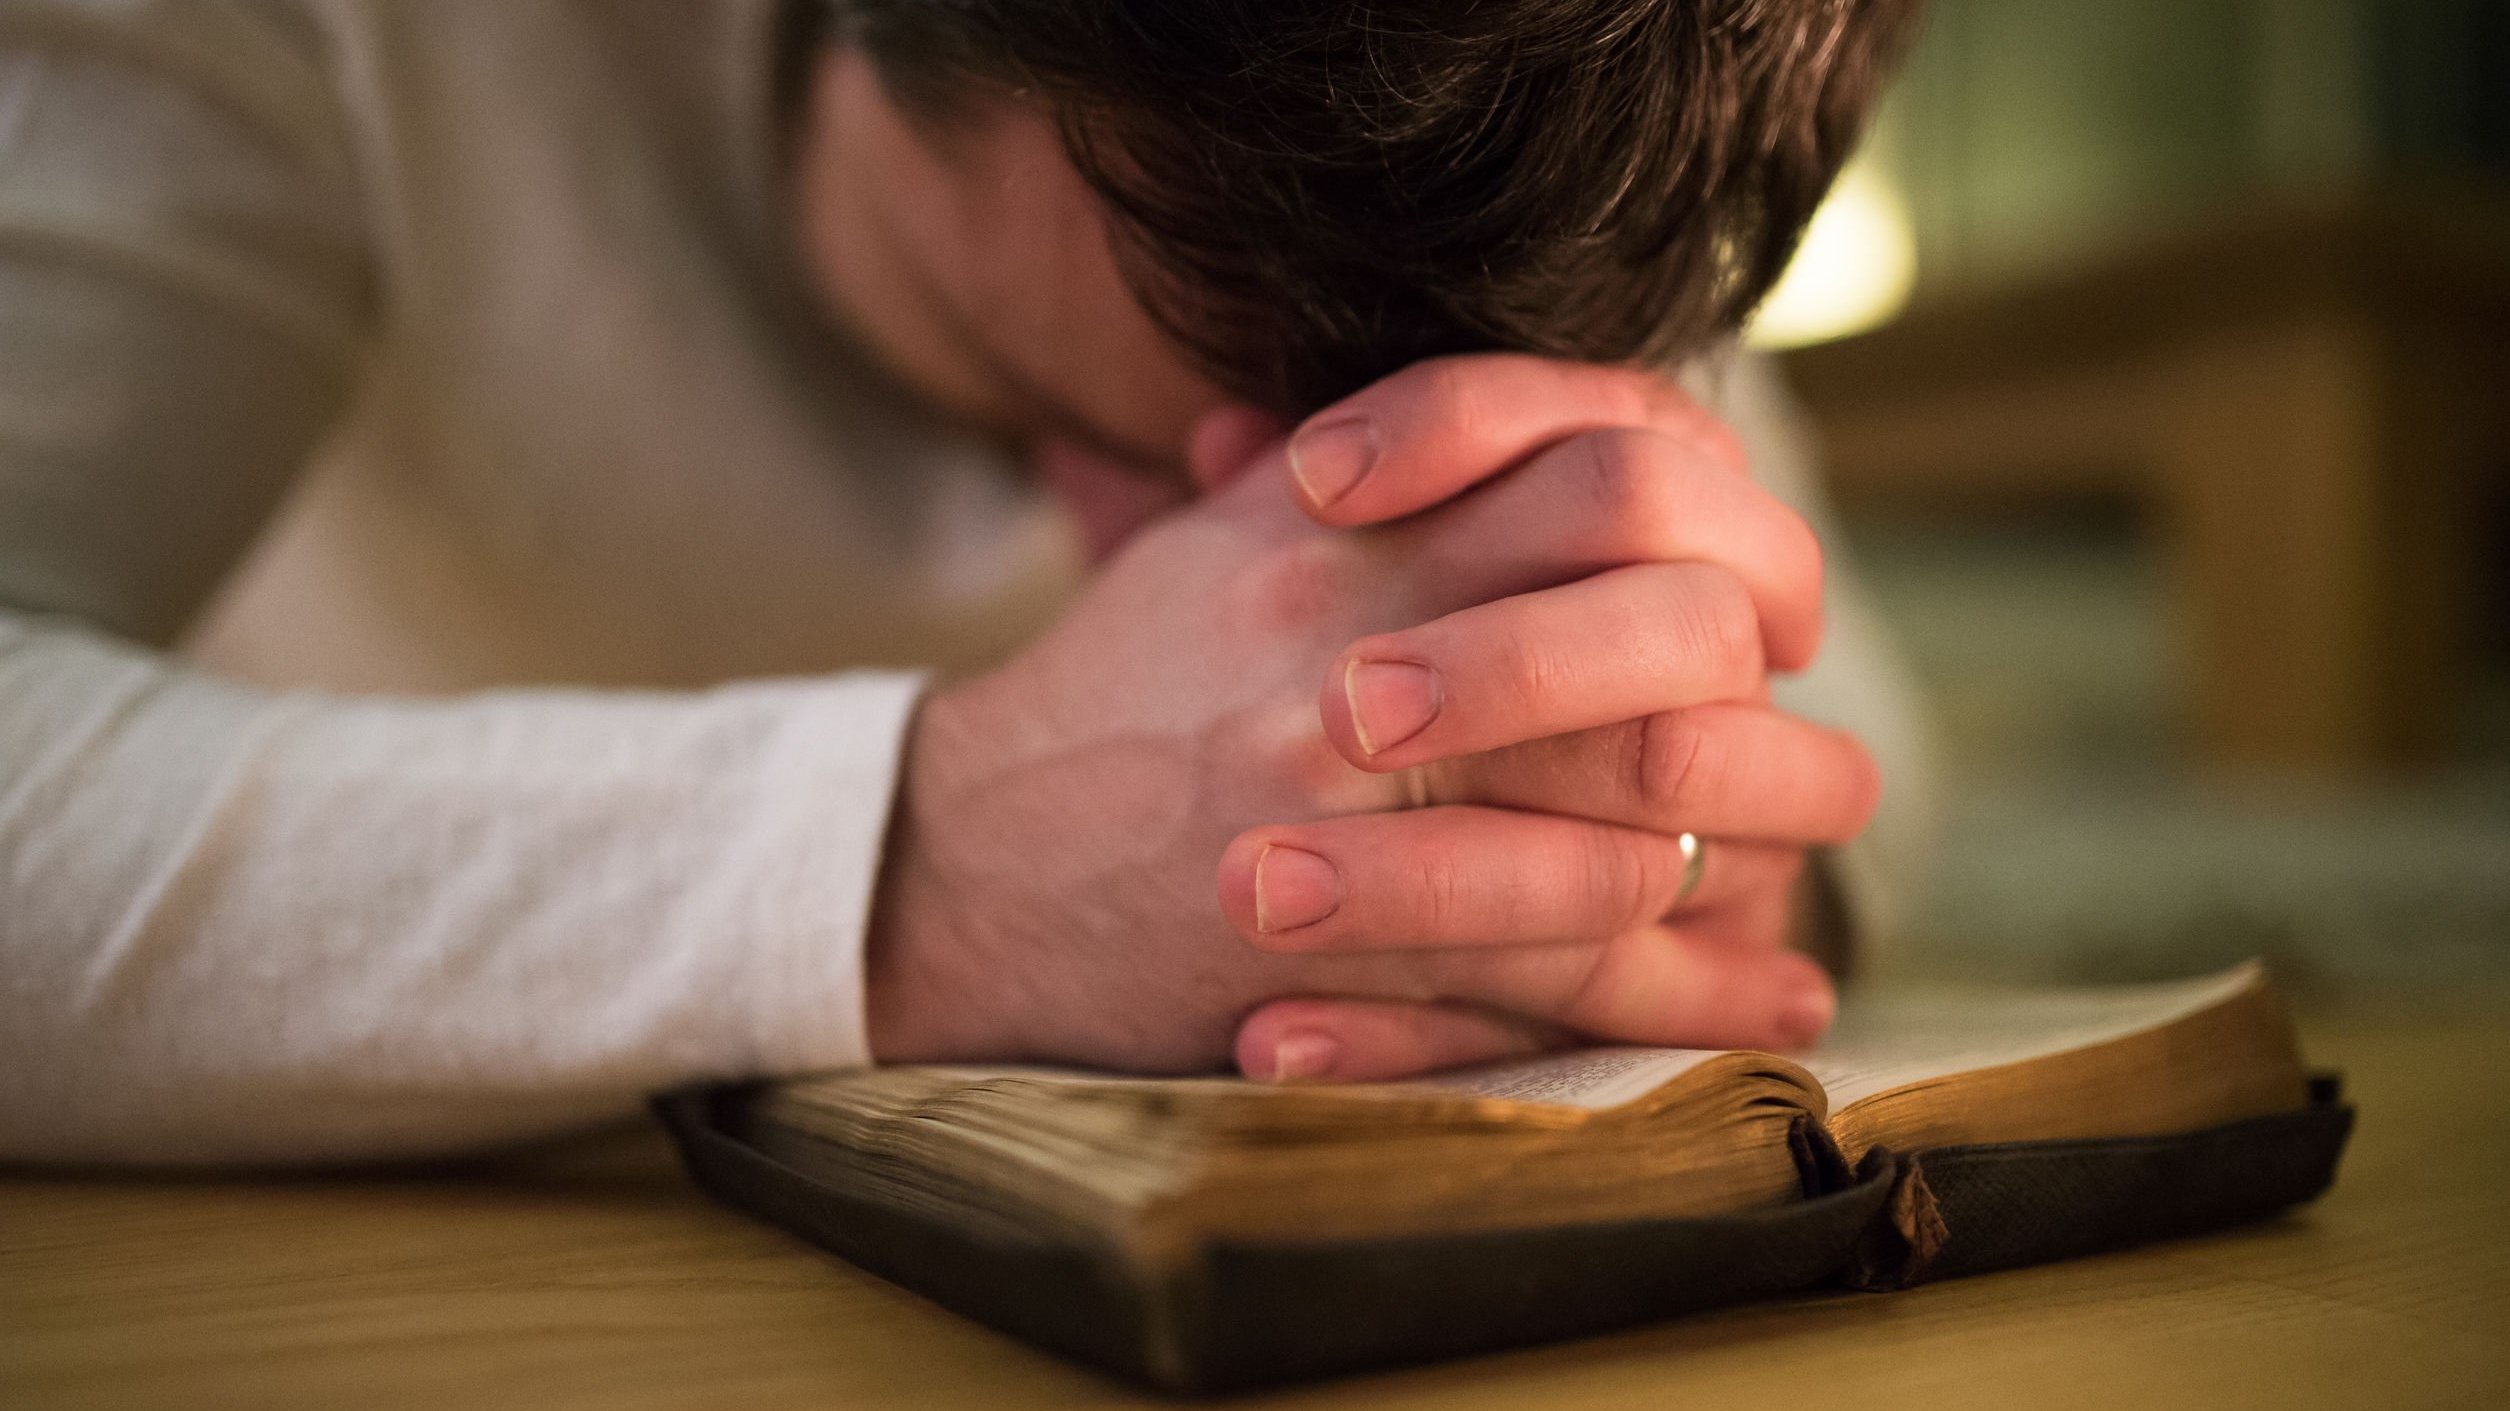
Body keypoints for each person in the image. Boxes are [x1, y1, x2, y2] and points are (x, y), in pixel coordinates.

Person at [0, 0, 1932, 1164]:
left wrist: (1664, 846)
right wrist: (912, 874)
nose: (1269, 579)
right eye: (1044, 401)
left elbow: (1864, 746)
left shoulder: (1566, 109)